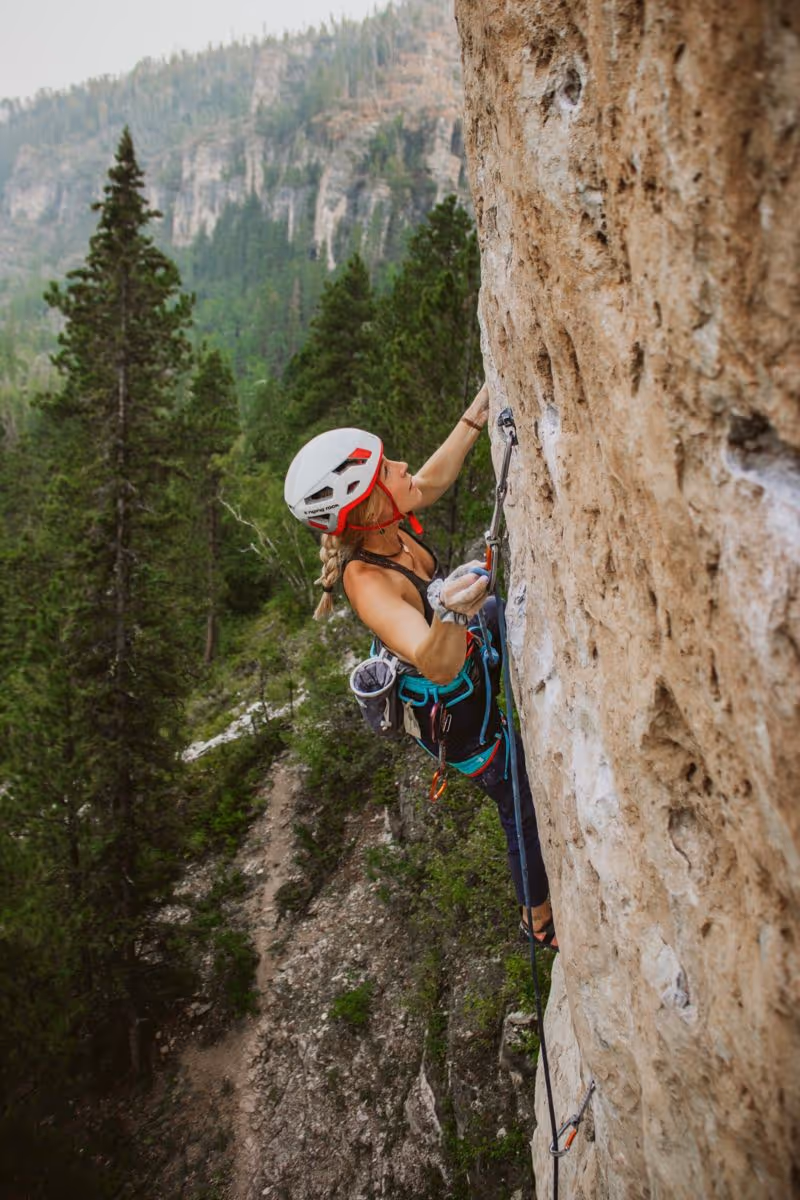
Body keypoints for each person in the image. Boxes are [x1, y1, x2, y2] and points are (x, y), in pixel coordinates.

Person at [283, 384, 557, 949]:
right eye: (387, 468)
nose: (402, 465)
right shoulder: (367, 581)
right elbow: (435, 662)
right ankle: (538, 921)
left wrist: (472, 419)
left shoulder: (388, 523)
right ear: (365, 506)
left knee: (506, 611)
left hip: (465, 657)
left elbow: (428, 481)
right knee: (519, 802)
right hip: (457, 720)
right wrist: (453, 610)